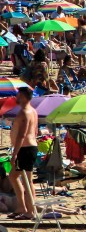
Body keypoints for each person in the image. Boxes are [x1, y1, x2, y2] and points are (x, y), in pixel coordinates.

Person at [9, 86, 38, 220]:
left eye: (19, 95)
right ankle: (22, 207)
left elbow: (22, 135)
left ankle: (31, 210)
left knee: (27, 180)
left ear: (24, 97)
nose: (17, 98)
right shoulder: (32, 111)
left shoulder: (26, 112)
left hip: (25, 149)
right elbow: (36, 131)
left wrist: (15, 154)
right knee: (13, 176)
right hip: (27, 148)